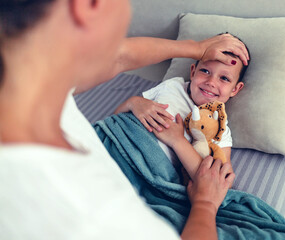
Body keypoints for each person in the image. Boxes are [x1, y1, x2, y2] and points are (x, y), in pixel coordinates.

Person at [0, 0, 249, 240]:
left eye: (224, 79)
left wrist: (196, 48)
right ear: (89, 4)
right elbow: (118, 62)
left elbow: (120, 58)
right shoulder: (98, 219)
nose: (212, 81)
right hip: (128, 145)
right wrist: (205, 204)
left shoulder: (42, 88)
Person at [115, 48, 250, 179]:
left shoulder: (220, 129)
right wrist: (133, 102)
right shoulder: (172, 86)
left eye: (224, 78)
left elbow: (220, 180)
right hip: (119, 140)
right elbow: (115, 119)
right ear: (193, 72)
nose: (211, 82)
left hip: (147, 168)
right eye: (205, 71)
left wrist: (178, 141)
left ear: (235, 89)